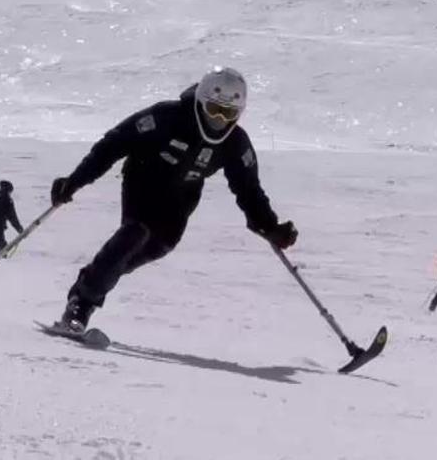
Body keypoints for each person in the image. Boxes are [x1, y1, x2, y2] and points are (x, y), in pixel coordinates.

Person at [49, 66, 297, 332]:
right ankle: (82, 304)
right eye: (213, 110)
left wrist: (270, 227)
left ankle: (91, 283)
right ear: (201, 102)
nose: (218, 120)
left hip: (180, 200)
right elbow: (113, 144)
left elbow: (248, 190)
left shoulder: (236, 144)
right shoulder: (166, 117)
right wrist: (75, 181)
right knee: (133, 234)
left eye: (228, 114)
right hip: (142, 181)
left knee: (154, 248)